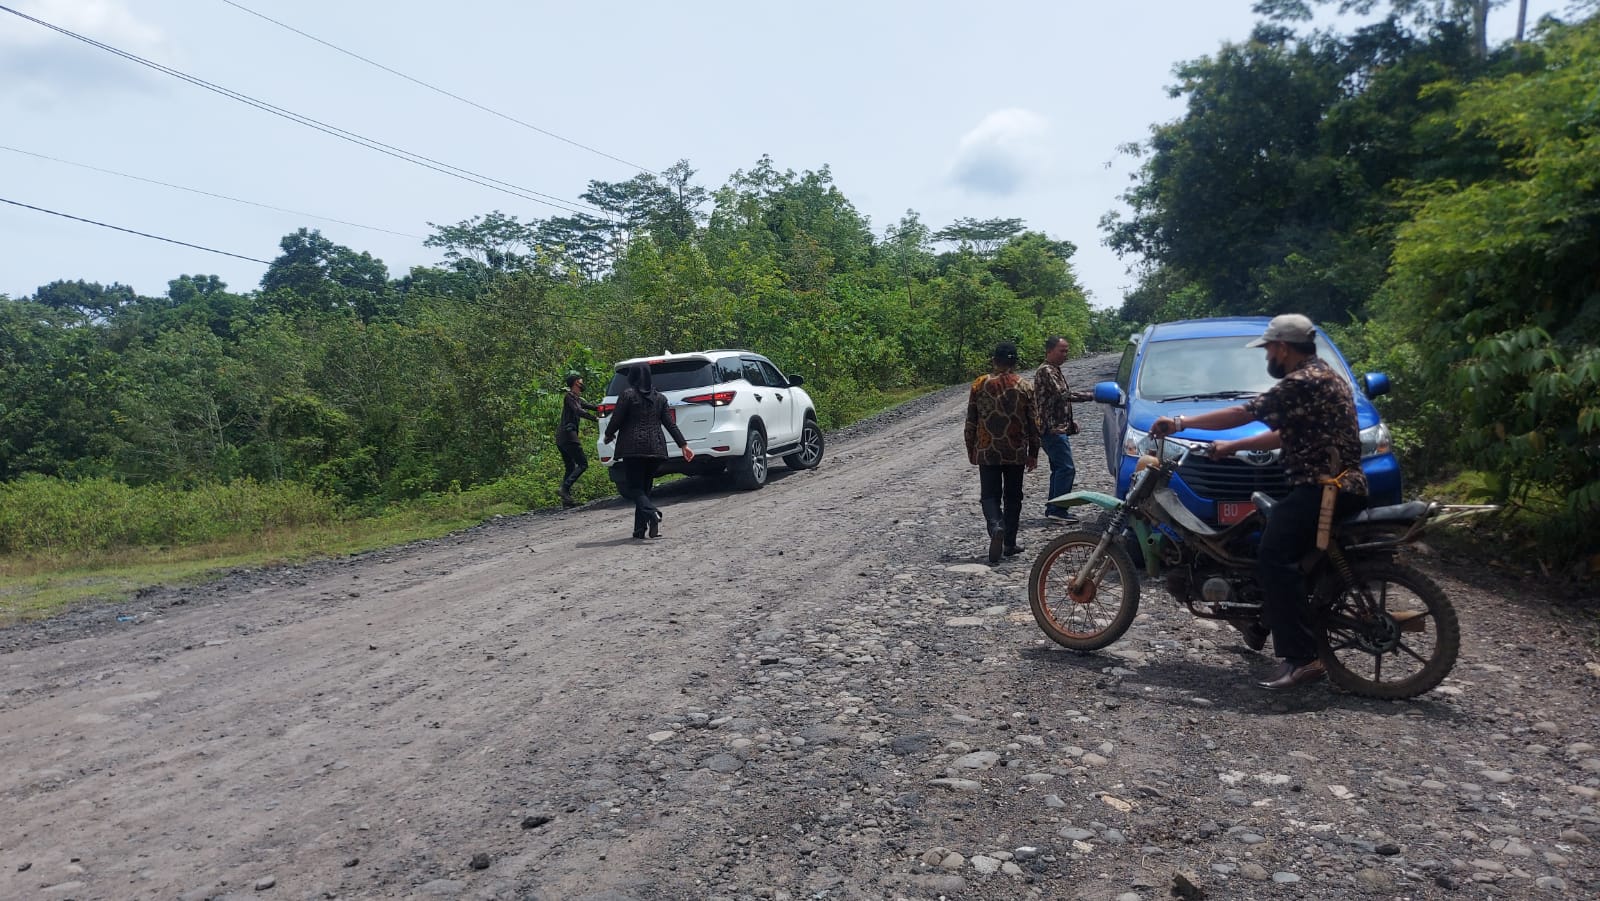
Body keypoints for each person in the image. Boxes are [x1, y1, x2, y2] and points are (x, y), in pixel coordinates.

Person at [1149, 314, 1368, 690]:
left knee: (1273, 555)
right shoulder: (1326, 376)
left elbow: (1242, 413)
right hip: (1334, 485)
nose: (1267, 355)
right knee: (1261, 536)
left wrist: (1180, 423)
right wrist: (1234, 447)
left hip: (1324, 488)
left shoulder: (1301, 381)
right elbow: (1285, 435)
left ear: (1282, 348)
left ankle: (1303, 658)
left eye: (1267, 348)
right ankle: (1258, 619)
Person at [964, 342, 1041, 565]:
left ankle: (996, 525)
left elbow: (971, 419)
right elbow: (1033, 422)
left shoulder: (979, 384)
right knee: (1013, 496)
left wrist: (971, 447)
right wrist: (1034, 452)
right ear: (1014, 361)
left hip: (987, 449)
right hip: (1015, 449)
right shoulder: (1025, 386)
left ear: (994, 360)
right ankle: (1009, 542)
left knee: (989, 495)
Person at [603, 363, 695, 539]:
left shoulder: (627, 395)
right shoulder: (660, 398)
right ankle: (640, 531)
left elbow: (616, 419)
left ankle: (653, 513)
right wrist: (684, 445)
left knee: (634, 488)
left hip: (633, 449)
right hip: (656, 449)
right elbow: (670, 424)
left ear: (633, 376)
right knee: (644, 490)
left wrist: (608, 435)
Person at [1033, 335, 1093, 521]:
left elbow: (1054, 402)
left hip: (1056, 427)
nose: (1065, 355)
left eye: (1067, 351)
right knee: (1066, 469)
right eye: (1062, 351)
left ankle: (1054, 508)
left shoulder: (1054, 369)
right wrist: (1092, 395)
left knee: (1059, 469)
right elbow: (1063, 395)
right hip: (1052, 430)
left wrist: (1069, 422)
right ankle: (1058, 510)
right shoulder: (1047, 371)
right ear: (1050, 351)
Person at [556, 372, 600, 508]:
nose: (583, 383)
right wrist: (595, 419)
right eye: (581, 381)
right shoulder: (569, 396)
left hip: (561, 437)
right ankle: (564, 489)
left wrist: (606, 409)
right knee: (583, 464)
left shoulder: (576, 398)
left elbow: (591, 407)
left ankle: (566, 500)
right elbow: (578, 411)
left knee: (570, 467)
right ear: (576, 383)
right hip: (569, 436)